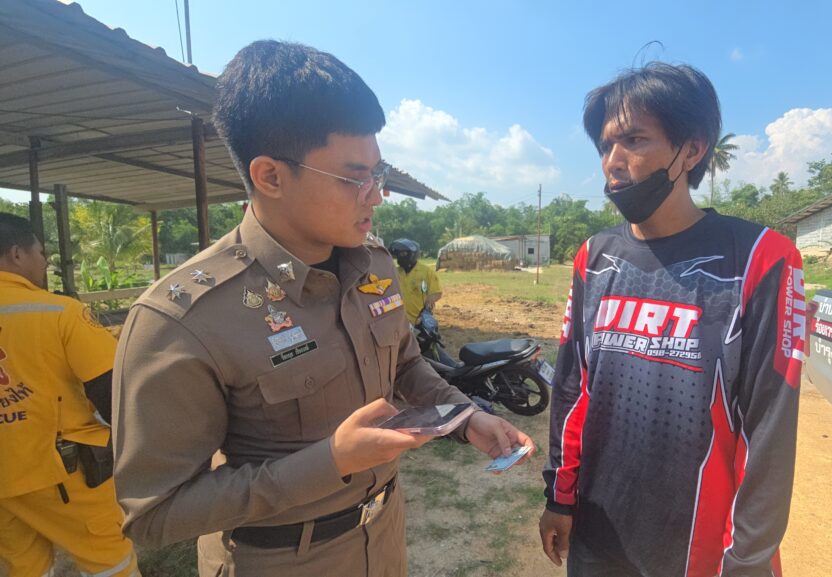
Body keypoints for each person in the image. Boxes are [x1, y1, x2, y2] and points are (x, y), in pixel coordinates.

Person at [113, 40, 532, 577]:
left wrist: (463, 415)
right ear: (270, 176)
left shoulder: (374, 264)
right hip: (279, 560)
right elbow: (156, 513)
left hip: (384, 534)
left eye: (378, 174)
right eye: (355, 178)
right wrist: (330, 461)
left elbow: (405, 364)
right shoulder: (184, 321)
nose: (376, 196)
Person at [539, 63, 805, 577]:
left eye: (634, 140)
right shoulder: (594, 258)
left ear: (692, 149)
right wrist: (560, 496)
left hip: (696, 550)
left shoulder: (760, 259)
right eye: (605, 145)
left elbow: (769, 430)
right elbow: (572, 389)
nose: (613, 161)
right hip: (597, 533)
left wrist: (747, 559)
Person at [0, 213, 139, 577]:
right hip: (64, 473)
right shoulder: (59, 313)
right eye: (40, 252)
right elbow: (114, 392)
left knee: (25, 568)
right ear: (17, 254)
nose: (44, 262)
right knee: (110, 563)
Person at [388, 238, 441, 325]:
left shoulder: (426, 272)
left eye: (403, 253)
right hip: (399, 320)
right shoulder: (394, 272)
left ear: (412, 254)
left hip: (419, 319)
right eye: (399, 254)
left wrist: (426, 309)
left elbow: (436, 292)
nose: (400, 256)